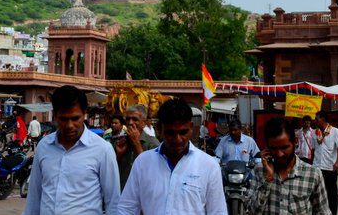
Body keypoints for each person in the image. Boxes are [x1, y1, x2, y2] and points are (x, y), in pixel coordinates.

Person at [117, 98, 226, 215]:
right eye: (170, 133)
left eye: (183, 132)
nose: (177, 139)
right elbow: (126, 209)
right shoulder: (143, 162)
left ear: (191, 127)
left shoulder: (209, 166)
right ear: (159, 129)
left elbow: (218, 211)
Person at [22, 85, 120, 215]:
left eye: (75, 118)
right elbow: (34, 197)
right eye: (63, 119)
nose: (69, 125)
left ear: (84, 114)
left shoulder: (102, 150)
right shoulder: (44, 146)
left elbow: (113, 201)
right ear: (55, 115)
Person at [253, 116, 328, 215]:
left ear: (295, 142)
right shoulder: (259, 171)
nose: (279, 154)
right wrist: (268, 179)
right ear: (267, 147)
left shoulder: (313, 174)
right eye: (274, 148)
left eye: (284, 147)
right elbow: (252, 211)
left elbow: (323, 212)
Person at [113, 104, 159, 189]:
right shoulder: (121, 141)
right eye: (128, 119)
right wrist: (119, 155)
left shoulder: (152, 143)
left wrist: (137, 144)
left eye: (135, 119)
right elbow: (112, 170)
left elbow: (153, 171)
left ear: (143, 123)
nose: (130, 123)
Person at [312, 112, 338, 215]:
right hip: (317, 167)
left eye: (317, 119)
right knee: (316, 193)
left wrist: (337, 162)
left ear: (323, 119)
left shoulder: (334, 131)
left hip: (330, 168)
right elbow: (314, 150)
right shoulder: (315, 133)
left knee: (331, 194)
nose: (315, 121)